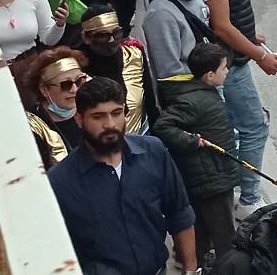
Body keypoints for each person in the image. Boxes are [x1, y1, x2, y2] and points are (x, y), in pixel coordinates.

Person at [48, 77, 200, 275]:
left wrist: (190, 269)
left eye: (116, 113)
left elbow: (179, 213)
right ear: (79, 119)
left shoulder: (152, 152)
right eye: (98, 116)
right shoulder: (60, 181)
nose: (109, 124)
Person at [197, 0, 277, 216]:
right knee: (254, 126)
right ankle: (248, 198)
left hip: (227, 58)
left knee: (234, 126)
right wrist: (260, 55)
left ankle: (236, 187)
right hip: (231, 65)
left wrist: (249, 34)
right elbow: (221, 26)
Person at [154, 41, 243, 267]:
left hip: (211, 175)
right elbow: (163, 126)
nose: (227, 71)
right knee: (225, 236)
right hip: (212, 179)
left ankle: (195, 264)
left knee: (201, 230)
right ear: (210, 75)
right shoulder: (194, 100)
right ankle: (227, 268)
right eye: (223, 67)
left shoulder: (202, 93)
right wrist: (192, 141)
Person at [79, 8, 152, 133]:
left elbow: (151, 101)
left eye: (116, 33)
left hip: (140, 134)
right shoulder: (77, 69)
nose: (112, 40)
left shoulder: (134, 55)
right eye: (103, 35)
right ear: (87, 37)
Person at [20, 47, 91, 165]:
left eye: (79, 81)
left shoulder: (92, 108)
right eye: (66, 84)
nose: (74, 89)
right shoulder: (34, 126)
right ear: (44, 89)